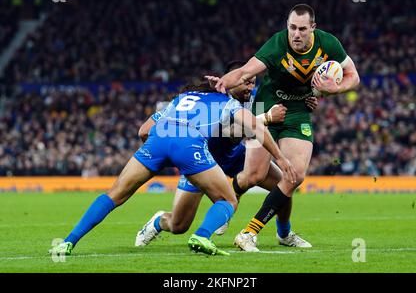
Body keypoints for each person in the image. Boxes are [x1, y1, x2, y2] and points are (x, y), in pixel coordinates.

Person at [49, 79, 297, 257]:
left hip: (159, 139)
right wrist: (282, 159)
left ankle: (68, 242)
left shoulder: (178, 100)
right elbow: (256, 128)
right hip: (189, 146)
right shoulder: (227, 103)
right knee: (228, 200)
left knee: (114, 194)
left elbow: (143, 131)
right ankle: (202, 235)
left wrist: (159, 155)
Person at [208, 3, 360, 252]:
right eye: (292, 28)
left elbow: (353, 76)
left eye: (302, 28)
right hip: (266, 106)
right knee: (253, 176)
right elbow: (246, 71)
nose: (296, 34)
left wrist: (336, 88)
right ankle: (225, 205)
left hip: (298, 111)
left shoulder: (328, 44)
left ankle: (250, 232)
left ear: (313, 27)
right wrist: (223, 82)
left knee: (295, 175)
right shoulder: (277, 44)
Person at [134, 61, 318, 247]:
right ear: (233, 80)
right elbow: (229, 132)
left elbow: (280, 107)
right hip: (202, 160)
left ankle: (284, 234)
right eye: (246, 82)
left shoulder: (256, 100)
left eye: (253, 82)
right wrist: (266, 118)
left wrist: (305, 102)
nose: (250, 87)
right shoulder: (215, 98)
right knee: (179, 225)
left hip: (235, 156)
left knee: (284, 184)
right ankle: (158, 222)